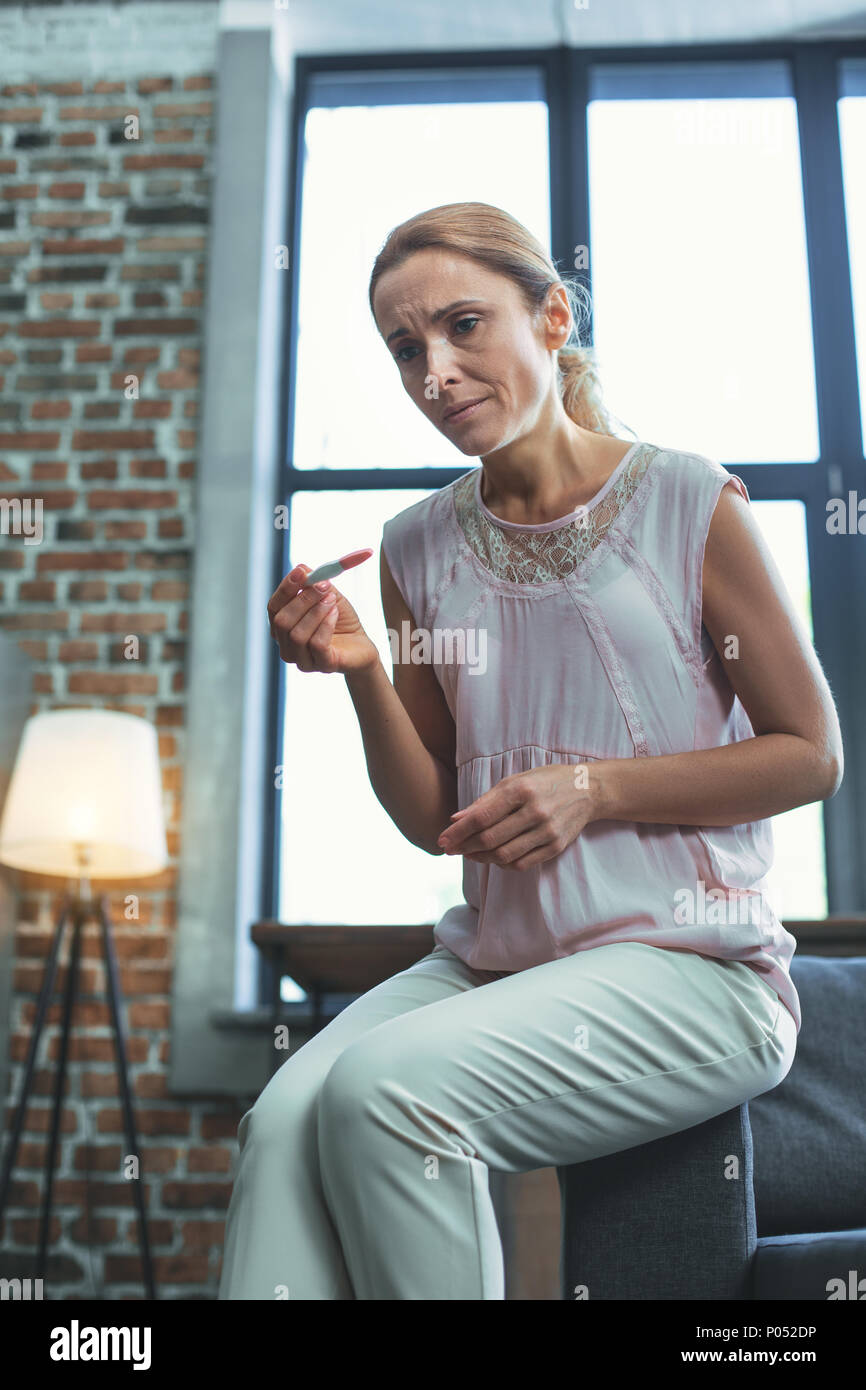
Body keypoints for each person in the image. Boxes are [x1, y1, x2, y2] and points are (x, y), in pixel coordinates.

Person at [218, 201, 843, 1301]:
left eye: (464, 326)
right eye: (405, 348)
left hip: (694, 972)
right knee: (279, 1126)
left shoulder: (689, 500)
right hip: (494, 962)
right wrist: (362, 668)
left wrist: (592, 790)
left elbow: (810, 754)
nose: (434, 371)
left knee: (386, 1092)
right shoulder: (415, 548)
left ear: (551, 317)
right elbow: (432, 821)